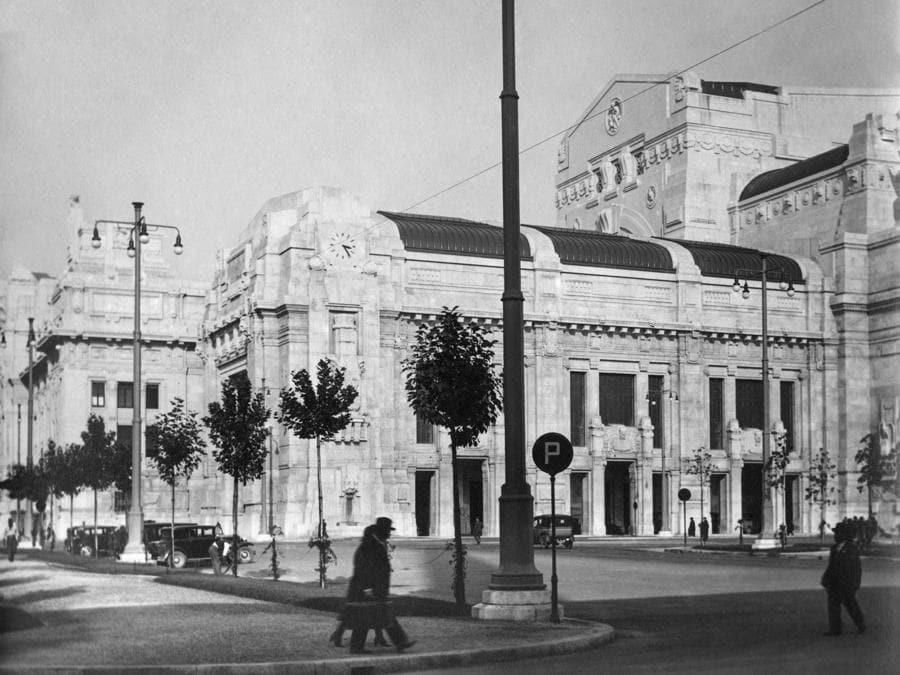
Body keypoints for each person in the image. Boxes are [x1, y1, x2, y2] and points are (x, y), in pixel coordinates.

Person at [346, 517, 415, 655]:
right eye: (388, 531)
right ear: (381, 531)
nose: (389, 533)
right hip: (368, 590)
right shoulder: (369, 546)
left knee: (382, 616)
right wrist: (367, 589)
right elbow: (363, 570)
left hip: (377, 590)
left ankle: (400, 642)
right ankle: (357, 647)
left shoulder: (377, 544)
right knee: (366, 618)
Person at [329, 525, 387, 648]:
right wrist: (367, 588)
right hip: (361, 587)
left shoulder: (373, 546)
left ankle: (379, 636)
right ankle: (339, 635)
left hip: (362, 587)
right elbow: (362, 570)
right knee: (356, 613)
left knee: (373, 610)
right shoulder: (365, 548)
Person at [820, 522, 865, 636]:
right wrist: (825, 578)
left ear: (844, 535)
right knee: (833, 606)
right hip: (834, 582)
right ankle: (835, 628)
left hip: (847, 583)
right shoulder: (834, 548)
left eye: (838, 534)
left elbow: (857, 568)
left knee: (851, 605)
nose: (835, 536)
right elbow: (831, 565)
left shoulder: (851, 548)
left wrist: (856, 583)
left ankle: (860, 624)